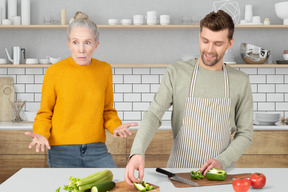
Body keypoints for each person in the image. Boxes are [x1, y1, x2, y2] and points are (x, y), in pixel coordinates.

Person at [125, 10, 253, 186]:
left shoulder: (240, 81)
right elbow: (154, 114)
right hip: (178, 173)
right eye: (205, 41)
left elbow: (245, 134)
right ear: (199, 36)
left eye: (218, 43)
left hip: (220, 175)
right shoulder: (177, 72)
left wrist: (222, 160)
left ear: (230, 43)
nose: (209, 49)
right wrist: (137, 152)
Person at [25, 11, 137, 168]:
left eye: (87, 42)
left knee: (113, 185)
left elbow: (107, 110)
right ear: (69, 44)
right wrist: (41, 133)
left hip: (96, 149)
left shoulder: (104, 69)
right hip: (61, 150)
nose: (81, 49)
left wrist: (115, 126)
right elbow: (45, 113)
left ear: (96, 45)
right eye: (76, 42)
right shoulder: (54, 71)